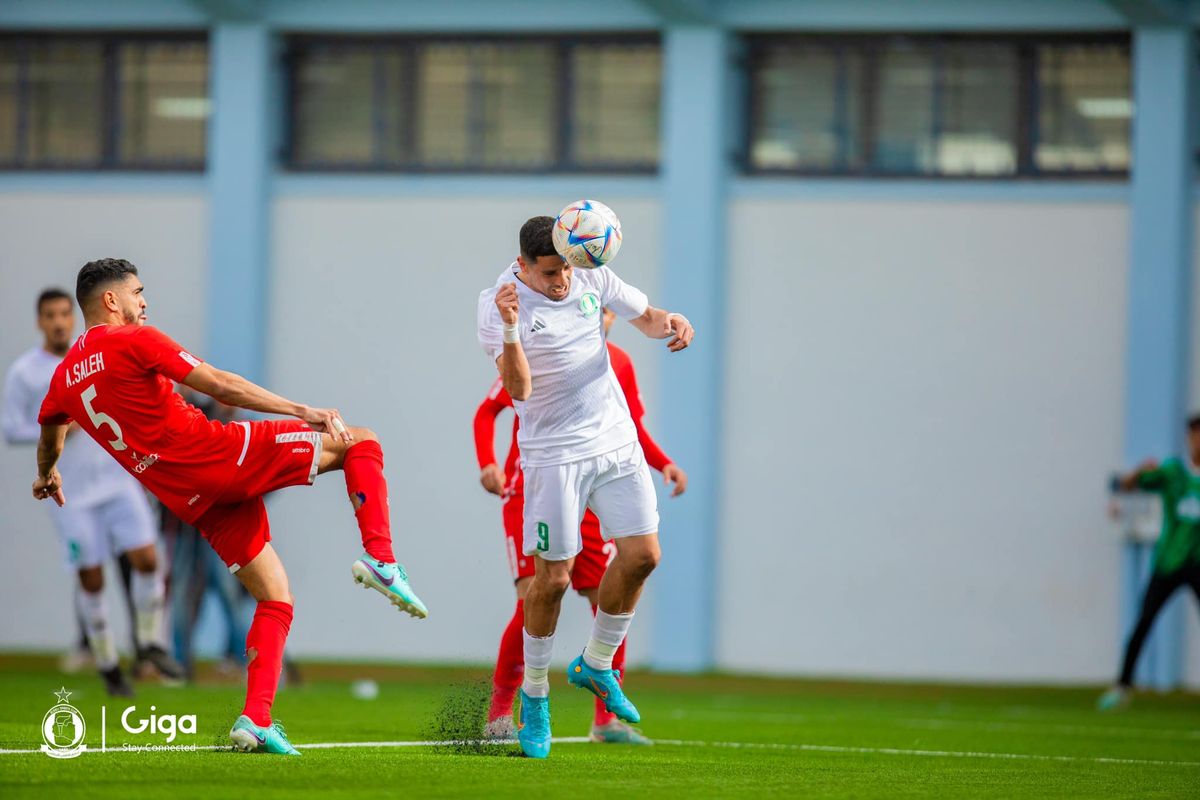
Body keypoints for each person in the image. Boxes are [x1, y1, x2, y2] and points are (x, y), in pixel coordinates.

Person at [32, 258, 427, 756]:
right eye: (137, 292)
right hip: (219, 455)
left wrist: (47, 474)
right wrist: (302, 411)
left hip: (192, 499)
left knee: (275, 596)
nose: (144, 302)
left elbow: (50, 436)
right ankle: (381, 557)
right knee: (361, 442)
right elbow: (216, 383)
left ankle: (255, 720)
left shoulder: (64, 377)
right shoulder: (136, 339)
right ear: (111, 300)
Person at [476, 216, 694, 758]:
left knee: (643, 555)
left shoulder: (589, 269)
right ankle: (534, 698)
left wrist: (672, 321)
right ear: (522, 266)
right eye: (548, 274)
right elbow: (518, 389)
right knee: (550, 582)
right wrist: (508, 327)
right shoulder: (497, 304)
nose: (560, 282)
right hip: (553, 458)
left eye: (564, 271)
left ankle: (596, 664)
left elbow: (644, 318)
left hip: (615, 443)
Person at [4, 287, 182, 697]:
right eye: (50, 315)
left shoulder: (94, 354)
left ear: (74, 316)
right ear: (40, 321)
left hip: (118, 479)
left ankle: (150, 644)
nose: (59, 322)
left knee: (148, 559)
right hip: (72, 494)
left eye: (65, 313)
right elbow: (11, 428)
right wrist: (59, 426)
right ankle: (107, 665)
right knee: (92, 578)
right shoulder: (26, 372)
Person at [1099, 414, 1200, 711]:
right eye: (1195, 434)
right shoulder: (1173, 473)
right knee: (1144, 621)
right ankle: (1122, 686)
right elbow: (1129, 485)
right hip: (1168, 561)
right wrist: (1137, 472)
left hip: (1197, 563)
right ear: (1189, 438)